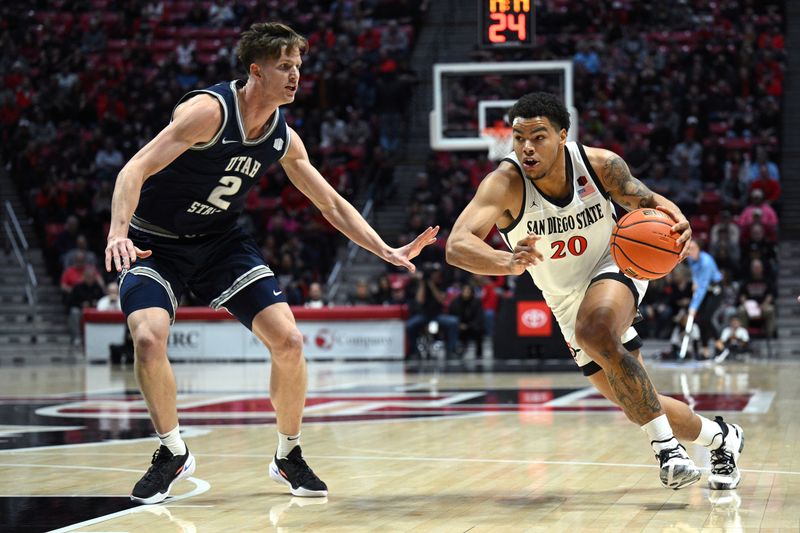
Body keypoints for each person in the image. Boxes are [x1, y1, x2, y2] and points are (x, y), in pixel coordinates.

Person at [104, 22, 438, 505]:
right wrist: (118, 231)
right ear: (255, 71)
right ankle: (171, 451)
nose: (295, 75)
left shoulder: (282, 137)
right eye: (285, 66)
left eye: (298, 66)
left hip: (220, 243)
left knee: (289, 340)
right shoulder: (208, 113)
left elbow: (331, 203)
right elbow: (134, 168)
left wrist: (383, 248)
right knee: (149, 338)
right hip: (156, 243)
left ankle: (288, 454)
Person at [446, 92, 744, 491]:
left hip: (616, 262)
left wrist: (680, 220)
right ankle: (723, 437)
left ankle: (668, 451)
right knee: (638, 400)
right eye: (519, 138)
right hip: (564, 300)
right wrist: (506, 261)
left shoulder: (599, 165)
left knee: (596, 331)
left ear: (563, 135)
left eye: (539, 136)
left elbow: (652, 202)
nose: (527, 147)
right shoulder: (505, 183)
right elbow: (457, 245)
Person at [686, 240, 724, 359]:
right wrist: (694, 282)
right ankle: (705, 350)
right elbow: (695, 274)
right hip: (705, 289)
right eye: (689, 248)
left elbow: (702, 287)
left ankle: (721, 347)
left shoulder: (706, 262)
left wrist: (693, 307)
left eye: (693, 248)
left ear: (699, 249)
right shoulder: (690, 259)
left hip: (715, 290)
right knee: (701, 319)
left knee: (707, 318)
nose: (690, 251)